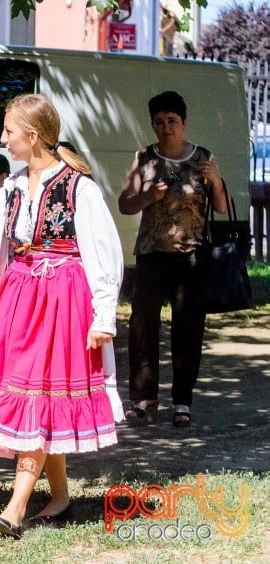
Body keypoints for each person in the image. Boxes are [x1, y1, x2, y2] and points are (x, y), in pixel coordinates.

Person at [0, 93, 122, 538]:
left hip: (62, 300)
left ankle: (15, 509)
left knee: (38, 394)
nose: (2, 139)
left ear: (32, 136)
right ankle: (60, 497)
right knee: (35, 396)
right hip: (19, 297)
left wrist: (103, 315)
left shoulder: (78, 187)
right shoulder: (11, 189)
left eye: (9, 131)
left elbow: (102, 253)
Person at [118, 91, 227, 428]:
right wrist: (147, 196)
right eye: (159, 122)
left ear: (184, 123)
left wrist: (217, 181)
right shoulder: (144, 158)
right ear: (152, 124)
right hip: (152, 255)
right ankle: (142, 399)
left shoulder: (203, 158)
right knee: (142, 327)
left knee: (188, 330)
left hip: (191, 257)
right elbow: (125, 203)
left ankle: (183, 402)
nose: (166, 128)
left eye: (172, 122)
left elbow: (221, 208)